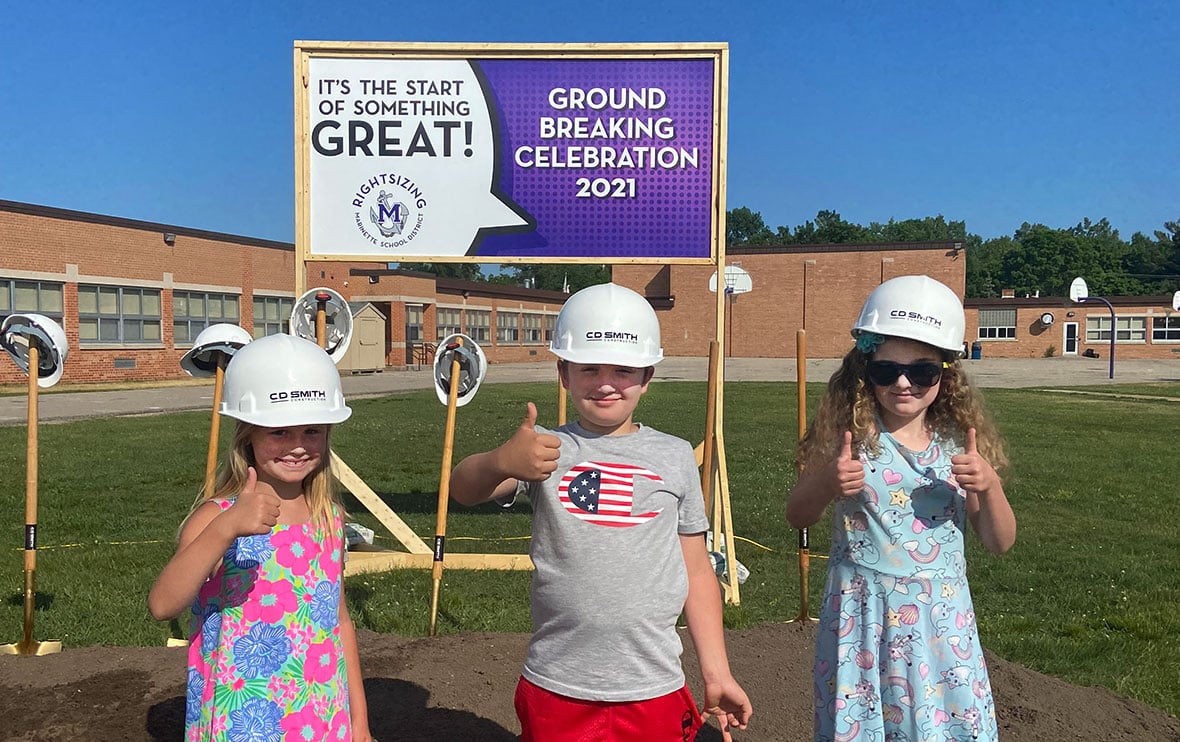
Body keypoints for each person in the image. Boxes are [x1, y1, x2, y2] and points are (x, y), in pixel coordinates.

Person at [450, 283, 753, 742]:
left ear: (648, 375)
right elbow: (461, 490)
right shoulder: (544, 451)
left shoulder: (673, 457)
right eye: (589, 368)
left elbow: (696, 570)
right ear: (564, 373)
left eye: (623, 370)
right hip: (557, 684)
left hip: (653, 685)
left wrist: (717, 673)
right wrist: (499, 462)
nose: (606, 382)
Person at [786, 275, 1016, 742]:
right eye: (886, 371)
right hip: (861, 620)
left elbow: (999, 540)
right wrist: (828, 480)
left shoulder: (960, 448)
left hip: (939, 626)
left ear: (945, 375)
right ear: (864, 370)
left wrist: (989, 486)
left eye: (923, 372)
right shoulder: (850, 443)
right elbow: (798, 515)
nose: (904, 383)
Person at [148, 333, 372, 742]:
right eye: (280, 432)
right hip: (242, 725)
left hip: (323, 719)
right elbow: (163, 604)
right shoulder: (216, 518)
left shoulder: (329, 518)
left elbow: (338, 621)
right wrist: (227, 528)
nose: (298, 447)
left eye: (312, 431)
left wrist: (359, 722)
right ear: (247, 434)